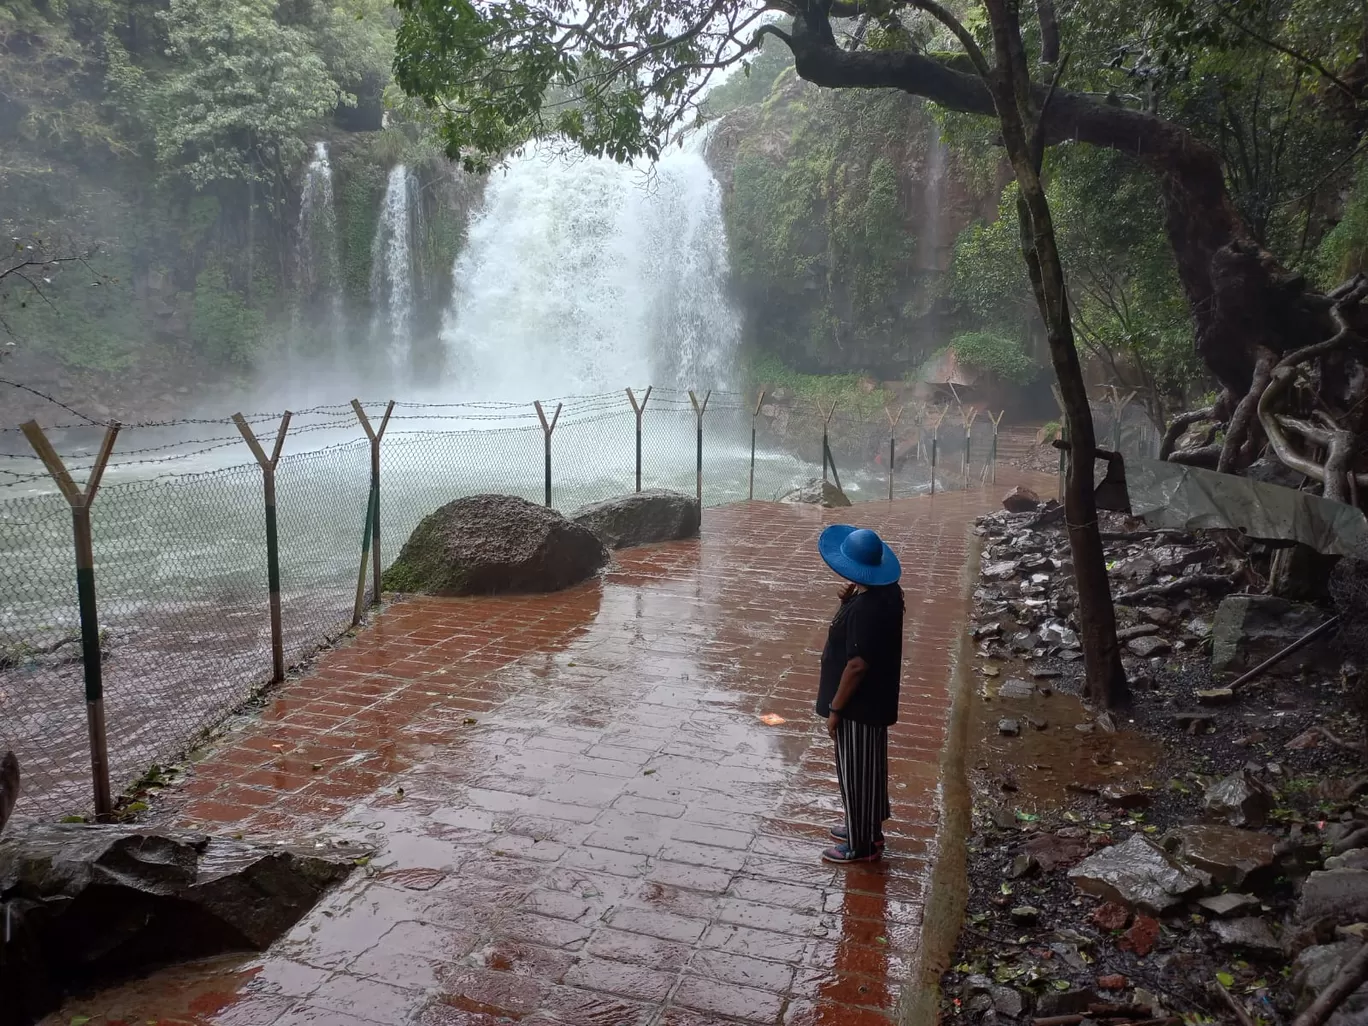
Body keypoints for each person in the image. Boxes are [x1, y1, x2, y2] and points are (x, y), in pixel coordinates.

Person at [814, 525, 905, 864]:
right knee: (869, 768)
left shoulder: (867, 609)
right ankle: (868, 828)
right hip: (875, 702)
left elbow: (857, 665)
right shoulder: (886, 594)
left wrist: (837, 708)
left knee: (854, 772)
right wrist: (849, 601)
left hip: (859, 705)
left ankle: (860, 844)